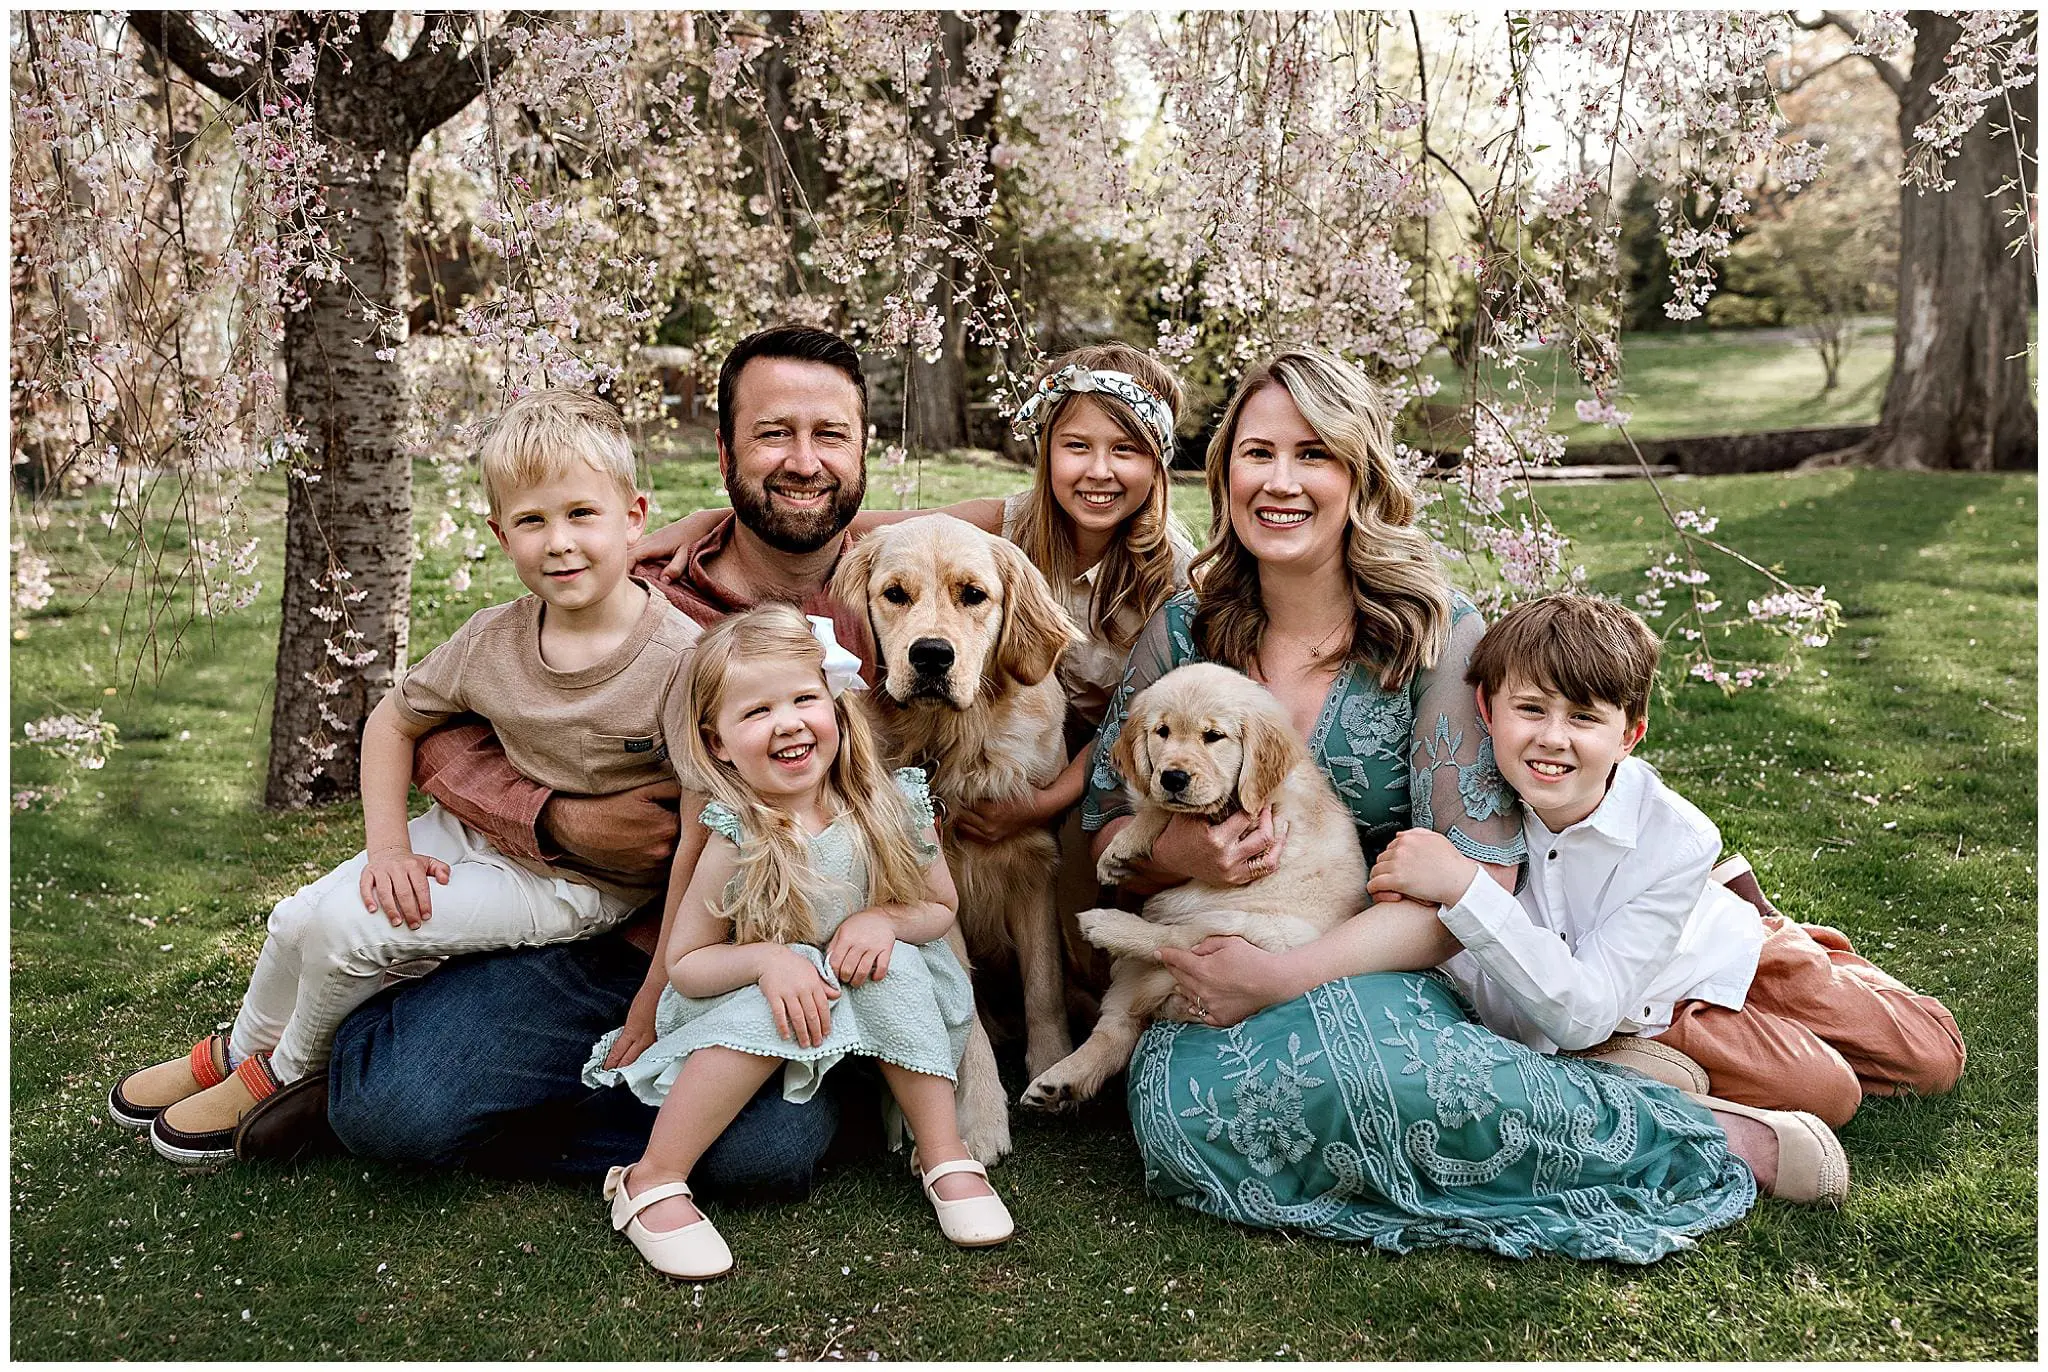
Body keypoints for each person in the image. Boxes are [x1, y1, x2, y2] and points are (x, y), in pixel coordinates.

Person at [1084, 348, 1769, 1263]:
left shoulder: (1435, 633)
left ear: (1359, 473)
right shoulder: (1183, 627)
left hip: (1377, 954)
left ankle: (1706, 1136)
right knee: (1196, 1122)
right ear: (1224, 472)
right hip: (1198, 961)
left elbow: (1473, 879)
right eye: (1257, 454)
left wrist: (1285, 976)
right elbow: (1098, 833)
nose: (1281, 482)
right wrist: (1183, 859)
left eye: (1314, 455)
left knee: (1390, 1083)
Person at [312, 326, 880, 1193]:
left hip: (769, 957)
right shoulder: (632, 584)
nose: (804, 461)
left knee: (766, 1155)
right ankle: (388, 1068)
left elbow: (1015, 515)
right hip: (603, 934)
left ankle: (577, 1111)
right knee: (390, 1107)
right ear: (726, 451)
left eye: (830, 435)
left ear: (864, 449)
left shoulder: (901, 598)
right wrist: (556, 819)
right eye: (774, 434)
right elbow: (439, 731)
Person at [110, 389, 699, 1165]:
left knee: (352, 930)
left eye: (580, 515)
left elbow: (700, 834)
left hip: (578, 884)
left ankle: (288, 1076)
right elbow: (395, 720)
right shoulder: (493, 637)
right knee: (296, 918)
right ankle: (240, 1049)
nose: (558, 543)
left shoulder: (680, 661)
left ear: (633, 516)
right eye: (531, 521)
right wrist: (388, 848)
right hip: (478, 833)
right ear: (500, 534)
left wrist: (660, 986)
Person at [1369, 592, 1964, 1131]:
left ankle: (1762, 915)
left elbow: (1576, 1004)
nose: (1552, 737)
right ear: (1486, 708)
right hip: (1644, 1013)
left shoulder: (1676, 837)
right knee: (1828, 1093)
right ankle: (1630, 1066)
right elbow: (1575, 1008)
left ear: (1630, 734)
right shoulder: (1468, 819)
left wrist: (1466, 889)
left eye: (1583, 717)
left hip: (1722, 944)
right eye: (1530, 709)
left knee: (1932, 1056)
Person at [586, 606, 1009, 1278]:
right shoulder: (738, 834)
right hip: (776, 1015)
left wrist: (887, 921)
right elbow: (687, 965)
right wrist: (767, 960)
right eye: (755, 713)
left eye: (804, 699)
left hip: (870, 998)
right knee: (775, 994)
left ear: (837, 709)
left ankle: (943, 1151)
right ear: (718, 742)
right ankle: (652, 1181)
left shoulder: (891, 805)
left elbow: (939, 908)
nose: (786, 722)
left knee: (893, 963)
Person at [642, 342, 1197, 848]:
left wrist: (1042, 804)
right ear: (1046, 451)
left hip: (1096, 775)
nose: (1098, 470)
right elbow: (836, 518)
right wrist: (710, 517)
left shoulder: (1174, 578)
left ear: (1159, 463)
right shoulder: (999, 525)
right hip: (998, 747)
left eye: (1126, 449)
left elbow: (1133, 718)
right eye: (1076, 446)